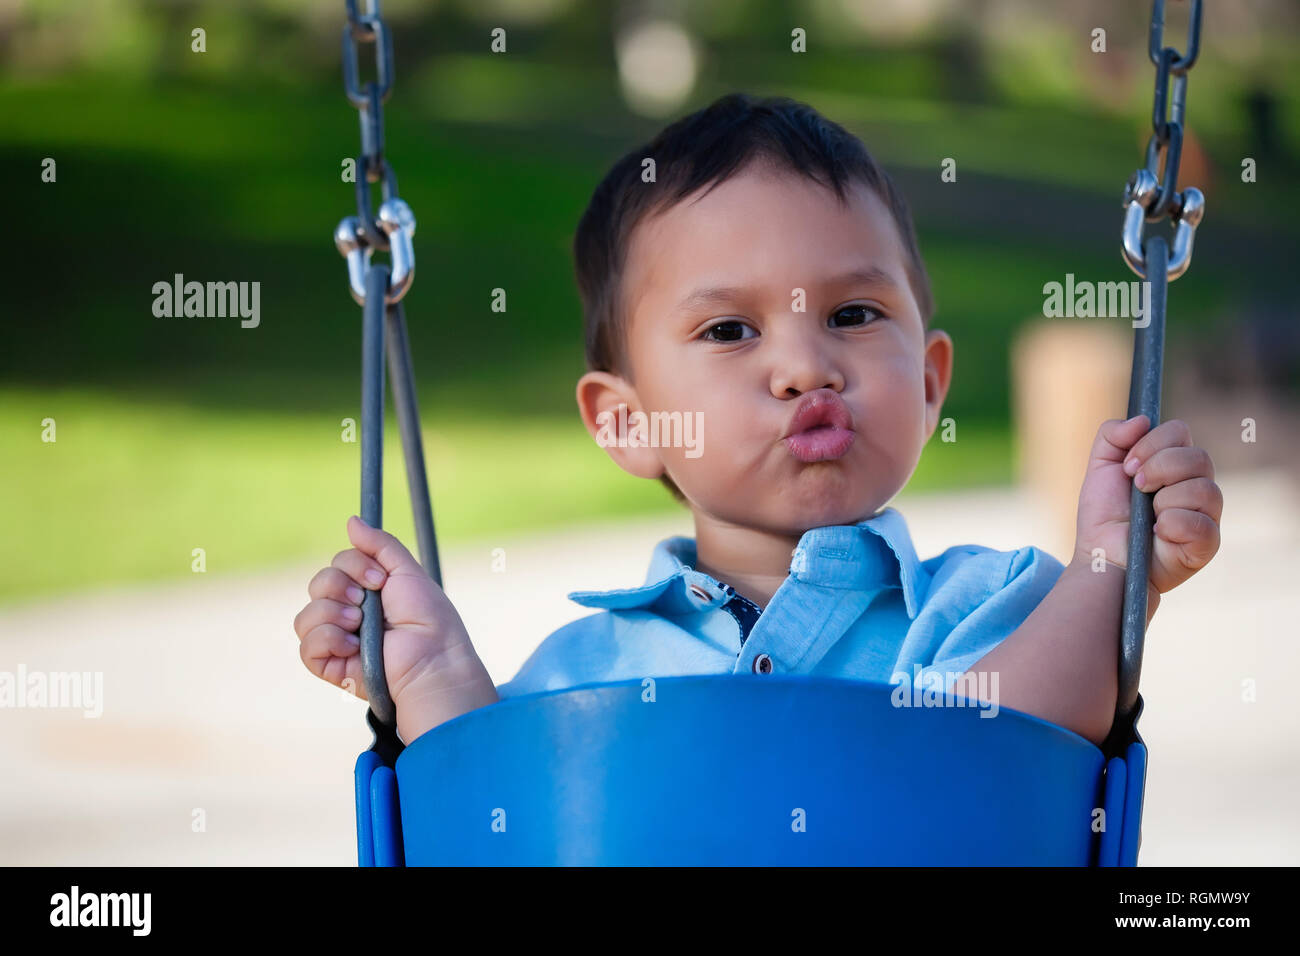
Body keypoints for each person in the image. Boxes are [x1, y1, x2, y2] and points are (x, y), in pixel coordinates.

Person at [294, 93, 1222, 749]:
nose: (806, 367)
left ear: (931, 379)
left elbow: (1019, 743)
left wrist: (1110, 569)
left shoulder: (986, 607)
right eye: (731, 330)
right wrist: (436, 682)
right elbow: (510, 821)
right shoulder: (583, 673)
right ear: (628, 423)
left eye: (854, 316)